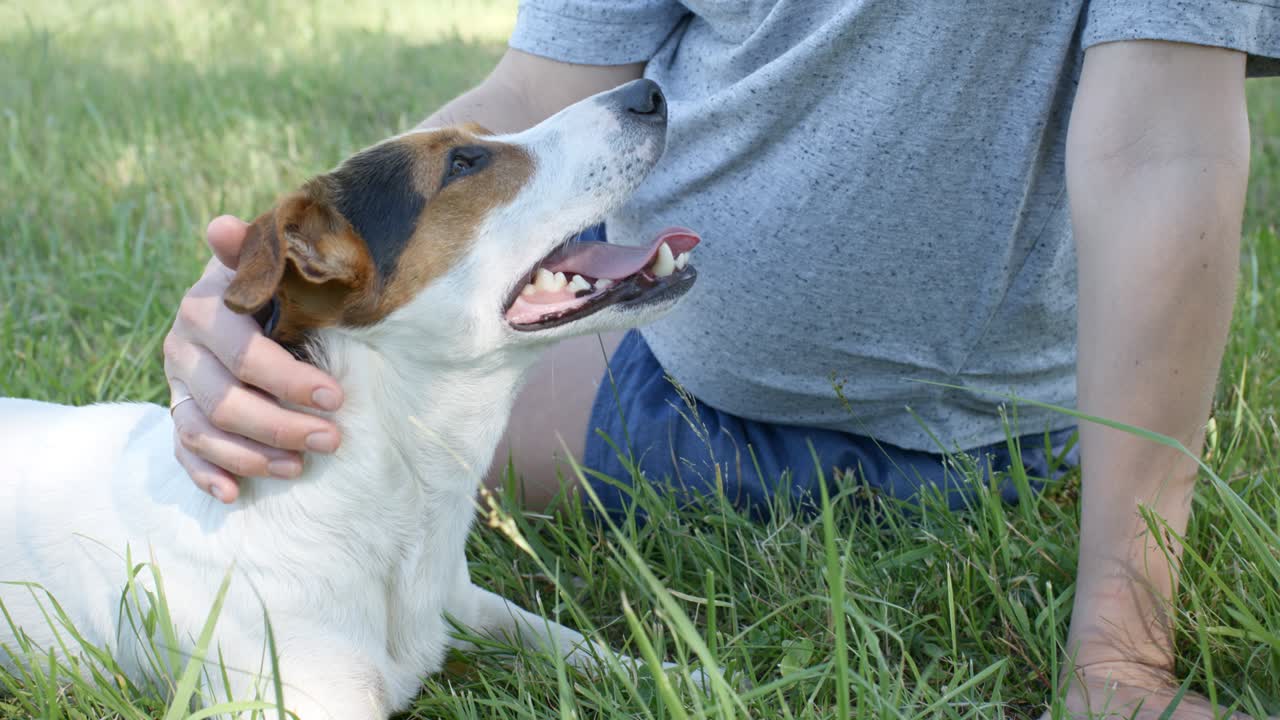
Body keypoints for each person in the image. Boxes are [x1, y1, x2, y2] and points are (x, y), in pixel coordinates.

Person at [161, 2, 1279, 718]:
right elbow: (530, 98)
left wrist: (1121, 650)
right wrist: (263, 291)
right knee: (352, 436)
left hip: (1005, 447)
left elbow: (1161, 147)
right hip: (656, 391)